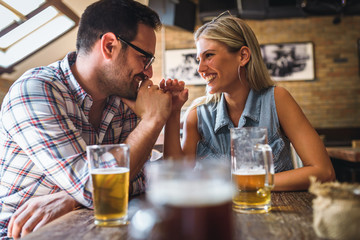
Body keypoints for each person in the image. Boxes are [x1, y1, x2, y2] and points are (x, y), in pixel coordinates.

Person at [0, 0, 176, 238]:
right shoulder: (35, 91)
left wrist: (70, 197)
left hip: (86, 225)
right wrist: (152, 120)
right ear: (110, 46)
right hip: (21, 234)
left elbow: (152, 176)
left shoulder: (122, 101)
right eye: (145, 58)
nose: (149, 73)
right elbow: (96, 191)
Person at [161, 13, 335, 191]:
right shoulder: (198, 113)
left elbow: (323, 172)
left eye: (209, 55)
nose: (200, 68)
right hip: (218, 216)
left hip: (273, 214)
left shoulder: (277, 99)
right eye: (199, 59)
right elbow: (176, 178)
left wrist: (242, 182)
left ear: (243, 56)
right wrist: (173, 113)